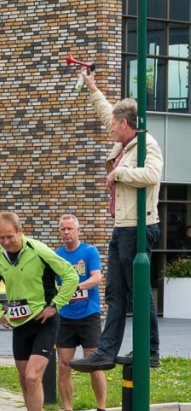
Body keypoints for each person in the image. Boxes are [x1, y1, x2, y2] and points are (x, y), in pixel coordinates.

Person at [71, 70, 163, 372]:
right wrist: (92, 87)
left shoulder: (146, 144)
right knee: (114, 292)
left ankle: (149, 351)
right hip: (121, 226)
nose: (110, 127)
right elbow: (105, 110)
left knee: (137, 290)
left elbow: (151, 175)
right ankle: (107, 352)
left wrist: (118, 173)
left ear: (126, 124)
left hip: (139, 226)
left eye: (114, 123)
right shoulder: (126, 143)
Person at [0, 212, 78, 411]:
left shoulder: (38, 250)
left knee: (33, 377)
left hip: (44, 321)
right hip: (19, 324)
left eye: (10, 236)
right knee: (25, 381)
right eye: (1, 237)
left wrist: (55, 305)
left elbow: (70, 275)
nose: (6, 241)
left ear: (20, 231)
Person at [52, 214, 108, 411]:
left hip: (88, 315)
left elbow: (97, 278)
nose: (66, 232)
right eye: (62, 229)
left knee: (93, 362)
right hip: (65, 317)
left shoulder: (89, 251)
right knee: (64, 364)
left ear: (77, 230)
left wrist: (76, 287)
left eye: (69, 229)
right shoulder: (56, 255)